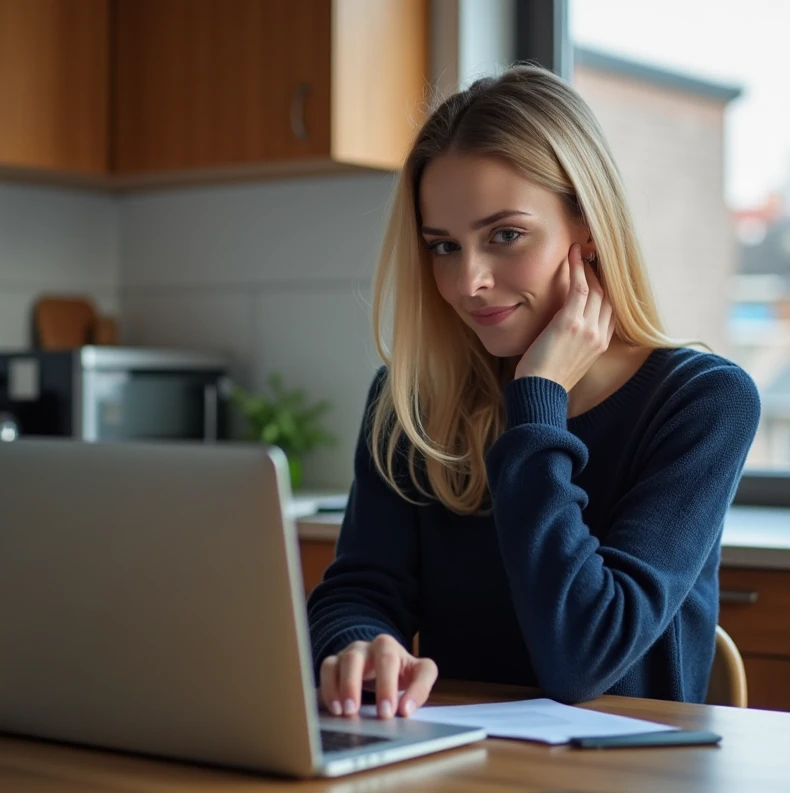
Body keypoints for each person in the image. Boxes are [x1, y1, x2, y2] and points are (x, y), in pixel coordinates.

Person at [307, 64, 761, 721]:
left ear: (589, 227)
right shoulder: (411, 400)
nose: (469, 281)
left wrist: (538, 399)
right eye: (444, 247)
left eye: (505, 235)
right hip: (459, 762)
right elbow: (359, 589)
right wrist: (359, 644)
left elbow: (582, 657)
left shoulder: (704, 402)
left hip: (633, 767)